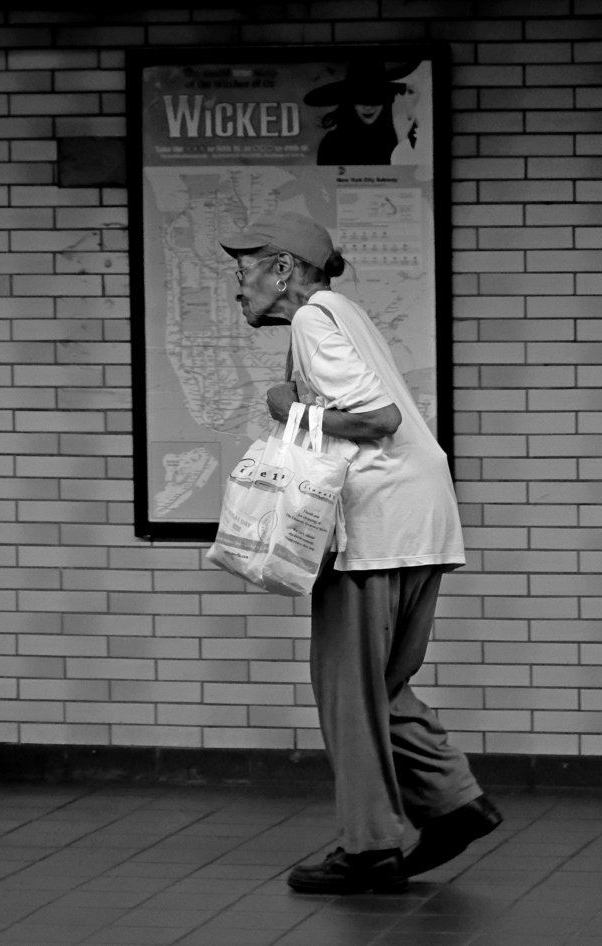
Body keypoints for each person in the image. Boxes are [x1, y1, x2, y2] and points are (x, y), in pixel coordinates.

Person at [219, 210, 502, 894]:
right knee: (380, 686)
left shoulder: (315, 318)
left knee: (348, 693)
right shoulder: (344, 311)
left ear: (283, 269)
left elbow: (379, 420)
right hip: (421, 520)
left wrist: (287, 407)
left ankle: (369, 847)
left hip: (375, 528)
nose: (237, 285)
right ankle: (456, 802)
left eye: (245, 269)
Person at [304, 61, 414, 166]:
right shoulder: (332, 144)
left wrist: (402, 139)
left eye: (376, 98)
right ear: (349, 101)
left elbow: (411, 180)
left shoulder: (406, 135)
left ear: (386, 100)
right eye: (360, 98)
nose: (368, 106)